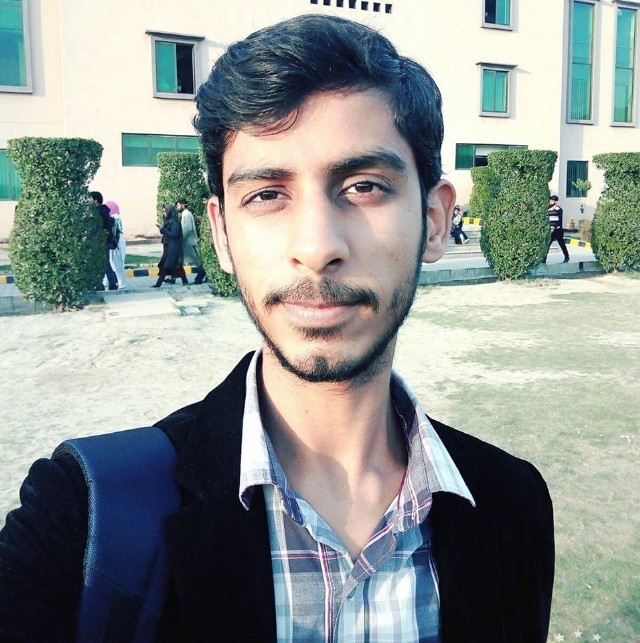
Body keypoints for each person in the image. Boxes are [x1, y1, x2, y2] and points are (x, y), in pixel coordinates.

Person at [0, 15, 554, 641]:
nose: (316, 248)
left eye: (364, 186)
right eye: (267, 194)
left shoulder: (512, 506)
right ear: (221, 234)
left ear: (433, 220)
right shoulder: (86, 517)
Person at [152, 203, 188, 287]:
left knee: (172, 265)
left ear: (170, 212)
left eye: (165, 212)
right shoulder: (169, 221)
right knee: (169, 265)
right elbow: (166, 232)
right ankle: (159, 284)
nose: (163, 213)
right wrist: (162, 228)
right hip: (169, 247)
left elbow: (174, 235)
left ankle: (184, 281)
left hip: (174, 248)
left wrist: (163, 229)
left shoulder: (174, 222)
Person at [89, 190, 118, 290]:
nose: (89, 201)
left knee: (101, 264)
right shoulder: (104, 211)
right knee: (105, 263)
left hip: (100, 241)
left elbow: (96, 227)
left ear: (95, 200)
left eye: (90, 199)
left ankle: (104, 284)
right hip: (106, 241)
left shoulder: (98, 212)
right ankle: (111, 283)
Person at [176, 198, 206, 284]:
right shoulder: (184, 214)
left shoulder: (187, 215)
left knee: (198, 261)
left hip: (190, 242)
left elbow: (188, 229)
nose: (177, 208)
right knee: (195, 261)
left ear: (183, 205)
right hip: (187, 242)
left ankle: (199, 278)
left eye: (178, 205)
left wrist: (181, 238)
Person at [104, 200, 127, 290]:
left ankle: (122, 283)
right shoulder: (116, 217)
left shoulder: (115, 217)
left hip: (117, 243)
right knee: (113, 263)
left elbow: (114, 230)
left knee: (117, 264)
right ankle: (109, 281)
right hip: (117, 242)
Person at [545, 194, 569, 263]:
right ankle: (544, 259)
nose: (550, 202)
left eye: (552, 201)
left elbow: (559, 221)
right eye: (550, 201)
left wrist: (555, 227)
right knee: (547, 245)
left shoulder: (559, 210)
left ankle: (566, 256)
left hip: (558, 230)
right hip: (550, 230)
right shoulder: (548, 209)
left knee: (562, 244)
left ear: (556, 202)